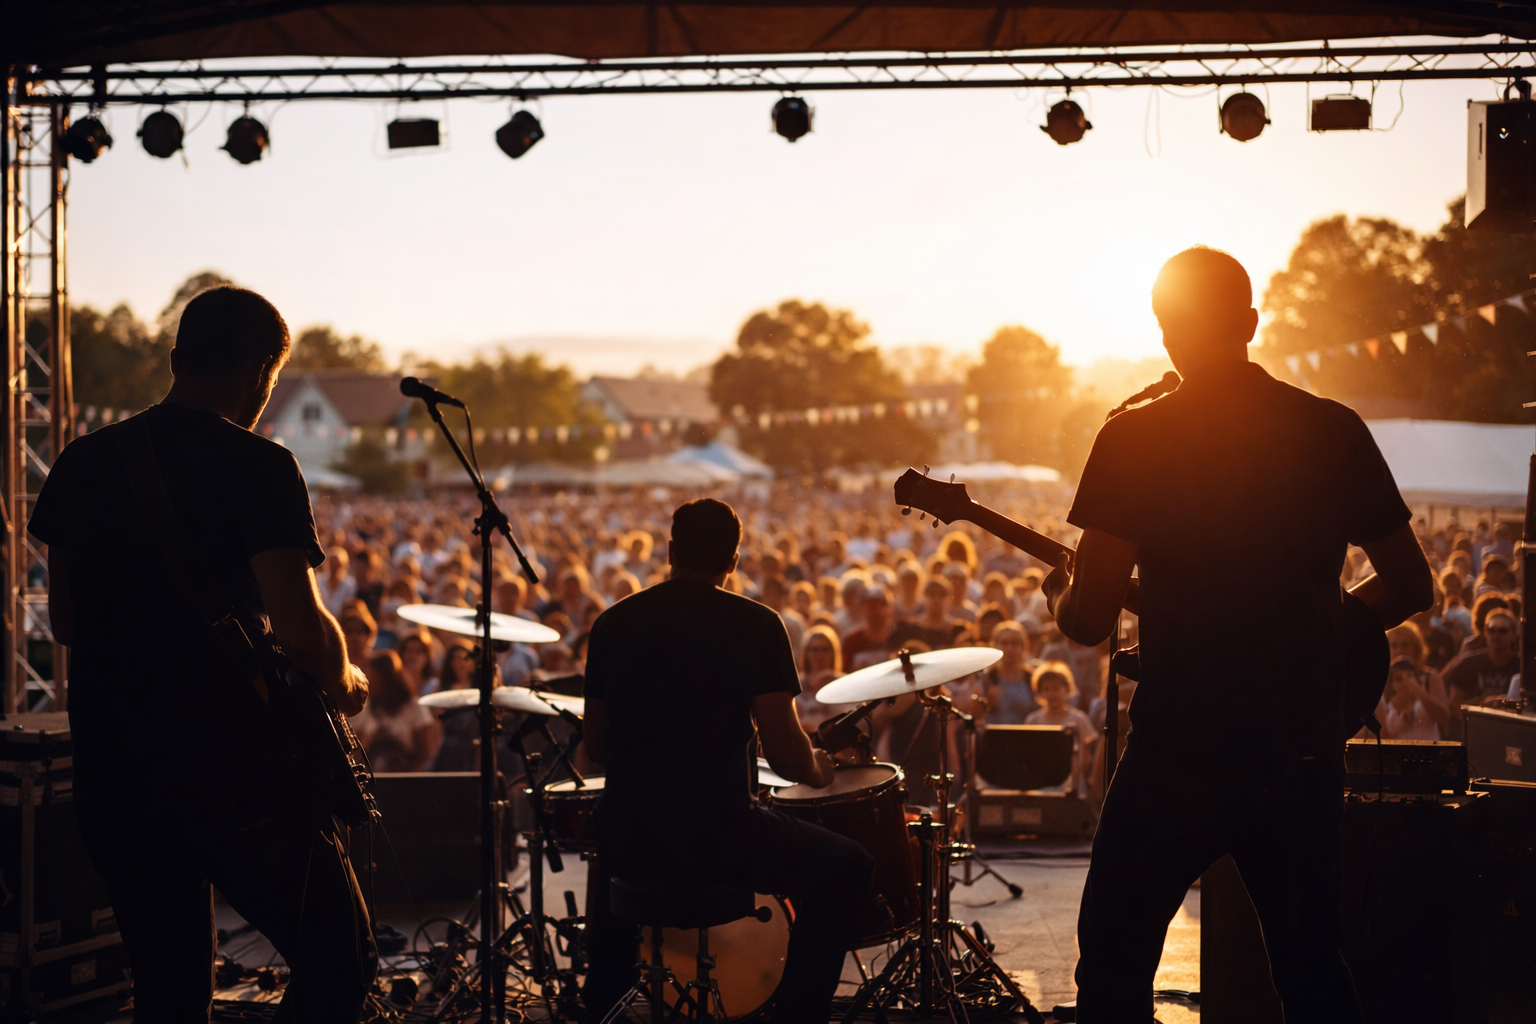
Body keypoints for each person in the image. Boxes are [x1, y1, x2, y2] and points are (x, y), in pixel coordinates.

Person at [1043, 247, 1431, 1023]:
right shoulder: (1331, 428)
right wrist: (1324, 632)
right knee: (1312, 971)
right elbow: (1411, 584)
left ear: (1163, 335)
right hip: (1298, 754)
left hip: (1177, 753)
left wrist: (1062, 591)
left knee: (1114, 972)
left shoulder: (1132, 437)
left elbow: (1088, 621)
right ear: (1251, 323)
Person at [29, 285, 376, 1020]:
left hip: (116, 777)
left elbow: (63, 622)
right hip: (235, 778)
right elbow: (303, 629)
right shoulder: (259, 465)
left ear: (178, 356)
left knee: (169, 992)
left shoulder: (82, 462)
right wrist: (344, 681)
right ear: (260, 371)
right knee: (340, 961)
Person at [581, 498, 874, 1024]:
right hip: (715, 838)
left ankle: (599, 1002)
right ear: (734, 562)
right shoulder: (757, 624)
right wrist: (821, 769)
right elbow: (787, 755)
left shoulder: (612, 624)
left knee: (612, 846)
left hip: (630, 837)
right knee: (850, 867)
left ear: (670, 551)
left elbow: (595, 749)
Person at [351, 649, 443, 771]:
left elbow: (426, 751)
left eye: (371, 676)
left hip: (404, 782)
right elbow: (356, 747)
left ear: (384, 678)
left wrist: (406, 777)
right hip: (374, 780)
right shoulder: (366, 708)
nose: (367, 683)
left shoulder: (413, 708)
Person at [1023, 662, 1097, 795]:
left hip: (1072, 785)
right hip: (1042, 784)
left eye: (1056, 688)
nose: (1051, 693)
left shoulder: (1079, 719)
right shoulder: (1032, 720)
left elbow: (1086, 757)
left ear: (1067, 689)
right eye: (1046, 689)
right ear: (1039, 692)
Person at [1445, 610, 1520, 711]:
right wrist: (1482, 704)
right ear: (1485, 632)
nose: (1496, 635)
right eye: (1491, 630)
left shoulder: (1522, 667)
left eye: (1503, 631)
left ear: (1513, 635)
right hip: (1475, 724)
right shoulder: (1468, 664)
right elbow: (1453, 705)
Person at [980, 621, 1040, 724]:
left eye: (1014, 643)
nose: (1009, 649)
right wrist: (986, 704)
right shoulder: (986, 678)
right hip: (994, 736)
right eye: (1004, 643)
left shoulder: (1032, 677)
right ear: (995, 646)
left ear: (1024, 647)